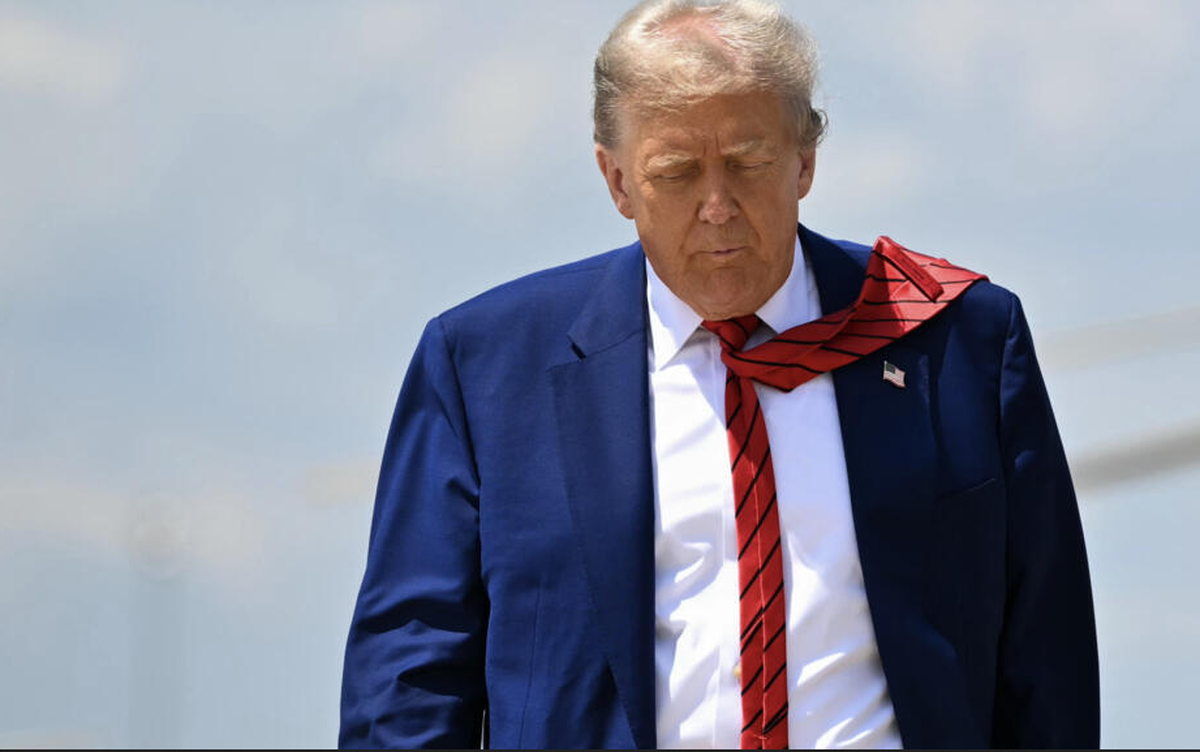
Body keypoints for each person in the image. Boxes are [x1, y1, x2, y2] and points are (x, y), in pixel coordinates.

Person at [339, 0, 1099, 748]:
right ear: (616, 181)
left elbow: (1047, 657)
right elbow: (409, 684)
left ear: (805, 160)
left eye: (748, 163)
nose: (716, 206)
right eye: (675, 172)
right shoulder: (485, 369)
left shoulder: (955, 339)